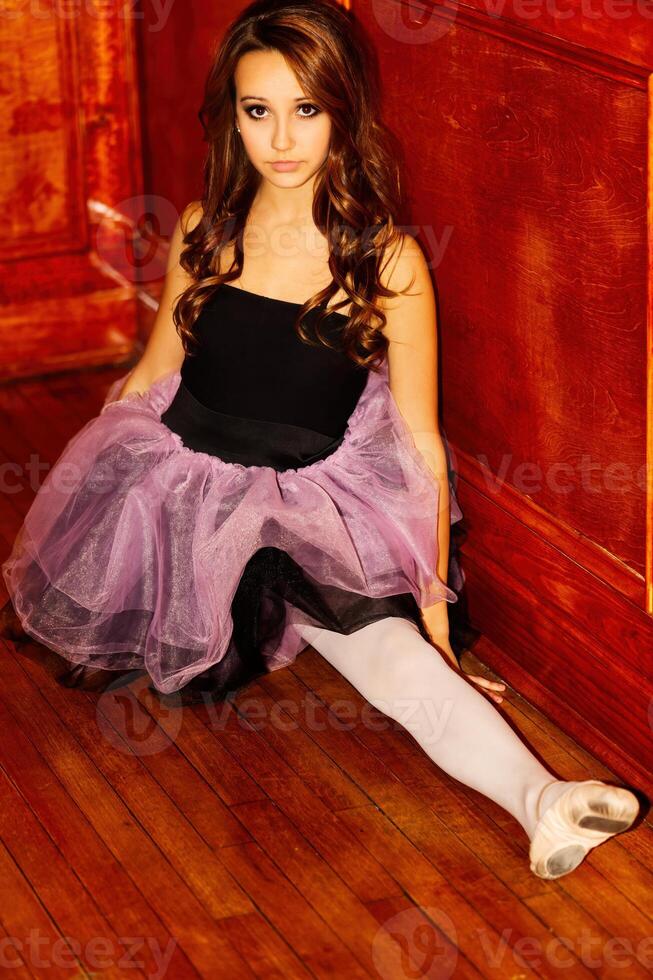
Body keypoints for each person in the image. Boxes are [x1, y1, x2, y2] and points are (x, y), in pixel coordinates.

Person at [1, 0, 640, 879]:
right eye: (257, 110)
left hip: (306, 504)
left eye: (307, 109)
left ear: (344, 110)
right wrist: (94, 507)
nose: (282, 138)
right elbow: (151, 378)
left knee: (392, 660)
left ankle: (543, 801)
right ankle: (530, 790)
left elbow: (419, 445)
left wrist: (436, 625)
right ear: (231, 115)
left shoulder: (385, 262)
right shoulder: (203, 230)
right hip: (186, 498)